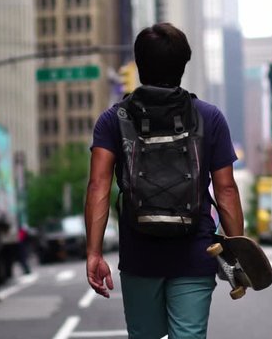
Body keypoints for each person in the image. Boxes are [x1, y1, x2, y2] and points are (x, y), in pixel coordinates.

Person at [84, 23, 244, 338]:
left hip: (139, 256)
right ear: (183, 64)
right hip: (195, 254)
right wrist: (238, 253)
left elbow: (98, 187)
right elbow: (226, 189)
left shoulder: (113, 120)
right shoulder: (209, 117)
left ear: (139, 64)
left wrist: (94, 251)